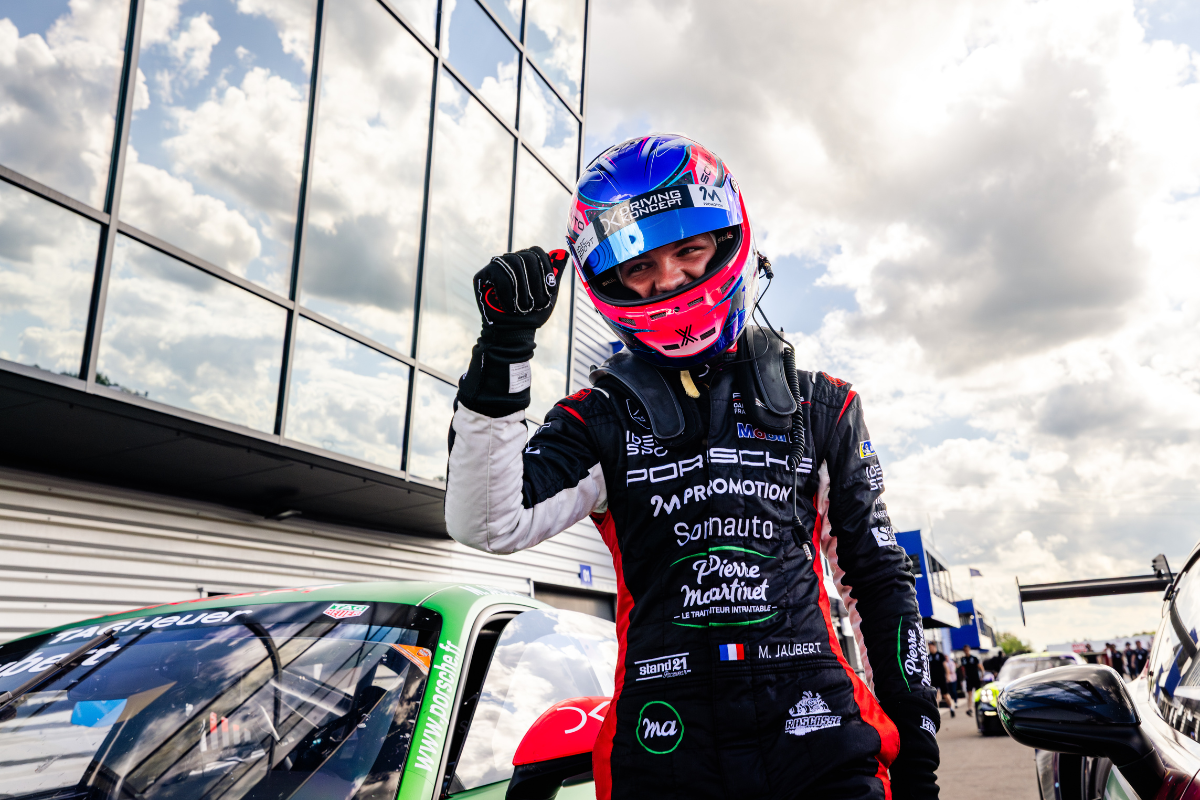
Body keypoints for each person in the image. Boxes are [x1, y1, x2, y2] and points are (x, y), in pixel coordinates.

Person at [444, 134, 940, 799]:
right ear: (611, 279)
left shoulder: (824, 405)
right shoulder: (599, 418)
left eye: (689, 249)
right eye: (642, 264)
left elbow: (880, 584)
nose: (670, 278)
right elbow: (487, 522)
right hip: (664, 755)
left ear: (729, 240)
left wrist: (918, 756)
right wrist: (504, 348)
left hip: (822, 749)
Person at [928, 641, 953, 718]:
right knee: (935, 695)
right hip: (933, 678)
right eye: (929, 647)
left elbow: (945, 666)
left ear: (934, 647)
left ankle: (951, 708)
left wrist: (948, 676)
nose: (930, 648)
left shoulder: (940, 655)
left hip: (941, 678)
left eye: (931, 647)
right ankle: (936, 713)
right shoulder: (928, 656)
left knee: (945, 695)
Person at [960, 645, 982, 715]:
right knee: (969, 693)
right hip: (968, 678)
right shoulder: (963, 659)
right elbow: (963, 668)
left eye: (967, 650)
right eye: (965, 650)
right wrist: (963, 676)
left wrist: (982, 675)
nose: (966, 651)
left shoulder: (974, 658)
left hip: (975, 677)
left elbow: (980, 667)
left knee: (978, 692)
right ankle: (970, 708)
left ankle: (979, 705)